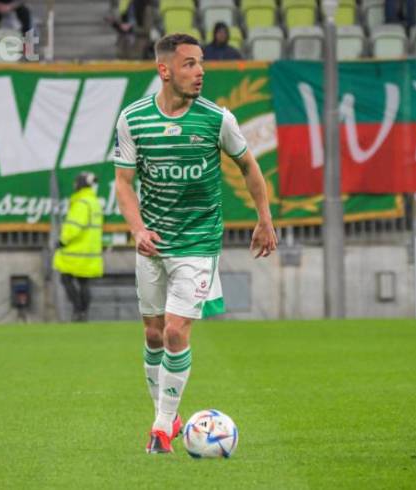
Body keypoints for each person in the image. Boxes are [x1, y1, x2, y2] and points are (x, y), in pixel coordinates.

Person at [113, 33, 277, 454]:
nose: (200, 71)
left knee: (174, 330)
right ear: (164, 70)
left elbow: (248, 166)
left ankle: (160, 428)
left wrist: (264, 218)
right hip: (153, 243)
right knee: (152, 334)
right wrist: (138, 230)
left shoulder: (217, 119)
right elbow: (124, 183)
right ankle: (167, 416)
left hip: (199, 242)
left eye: (201, 62)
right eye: (189, 63)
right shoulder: (133, 119)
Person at [53, 172, 104, 323]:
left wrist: (62, 241)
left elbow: (74, 226)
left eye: (76, 182)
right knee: (84, 282)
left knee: (65, 278)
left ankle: (78, 310)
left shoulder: (81, 203)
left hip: (76, 252)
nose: (74, 185)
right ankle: (83, 313)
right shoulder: (94, 202)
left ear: (80, 184)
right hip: (90, 252)